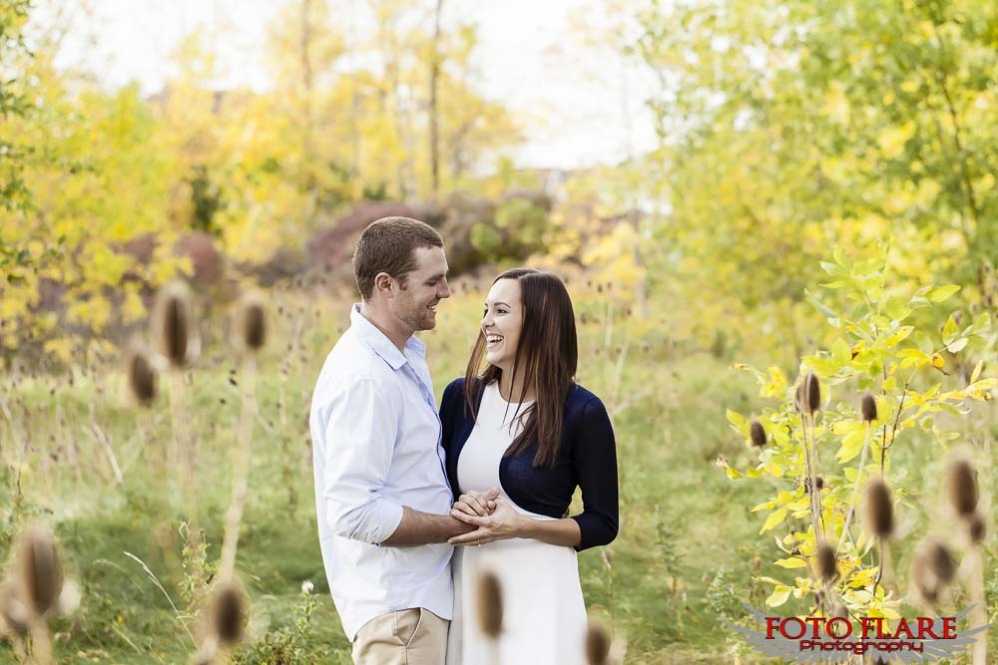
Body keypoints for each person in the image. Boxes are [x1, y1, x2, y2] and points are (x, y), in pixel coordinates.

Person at [310, 216, 497, 665]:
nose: (447, 292)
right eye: (433, 281)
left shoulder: (400, 358)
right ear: (386, 285)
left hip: (415, 607)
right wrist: (457, 526)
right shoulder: (366, 379)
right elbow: (354, 510)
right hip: (400, 615)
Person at [439, 268, 619, 665]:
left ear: (538, 324)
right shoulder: (460, 397)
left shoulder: (581, 412)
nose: (486, 321)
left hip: (541, 590)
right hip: (469, 582)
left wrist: (521, 525)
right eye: (486, 310)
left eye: (501, 311)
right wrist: (458, 506)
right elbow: (437, 487)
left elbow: (603, 523)